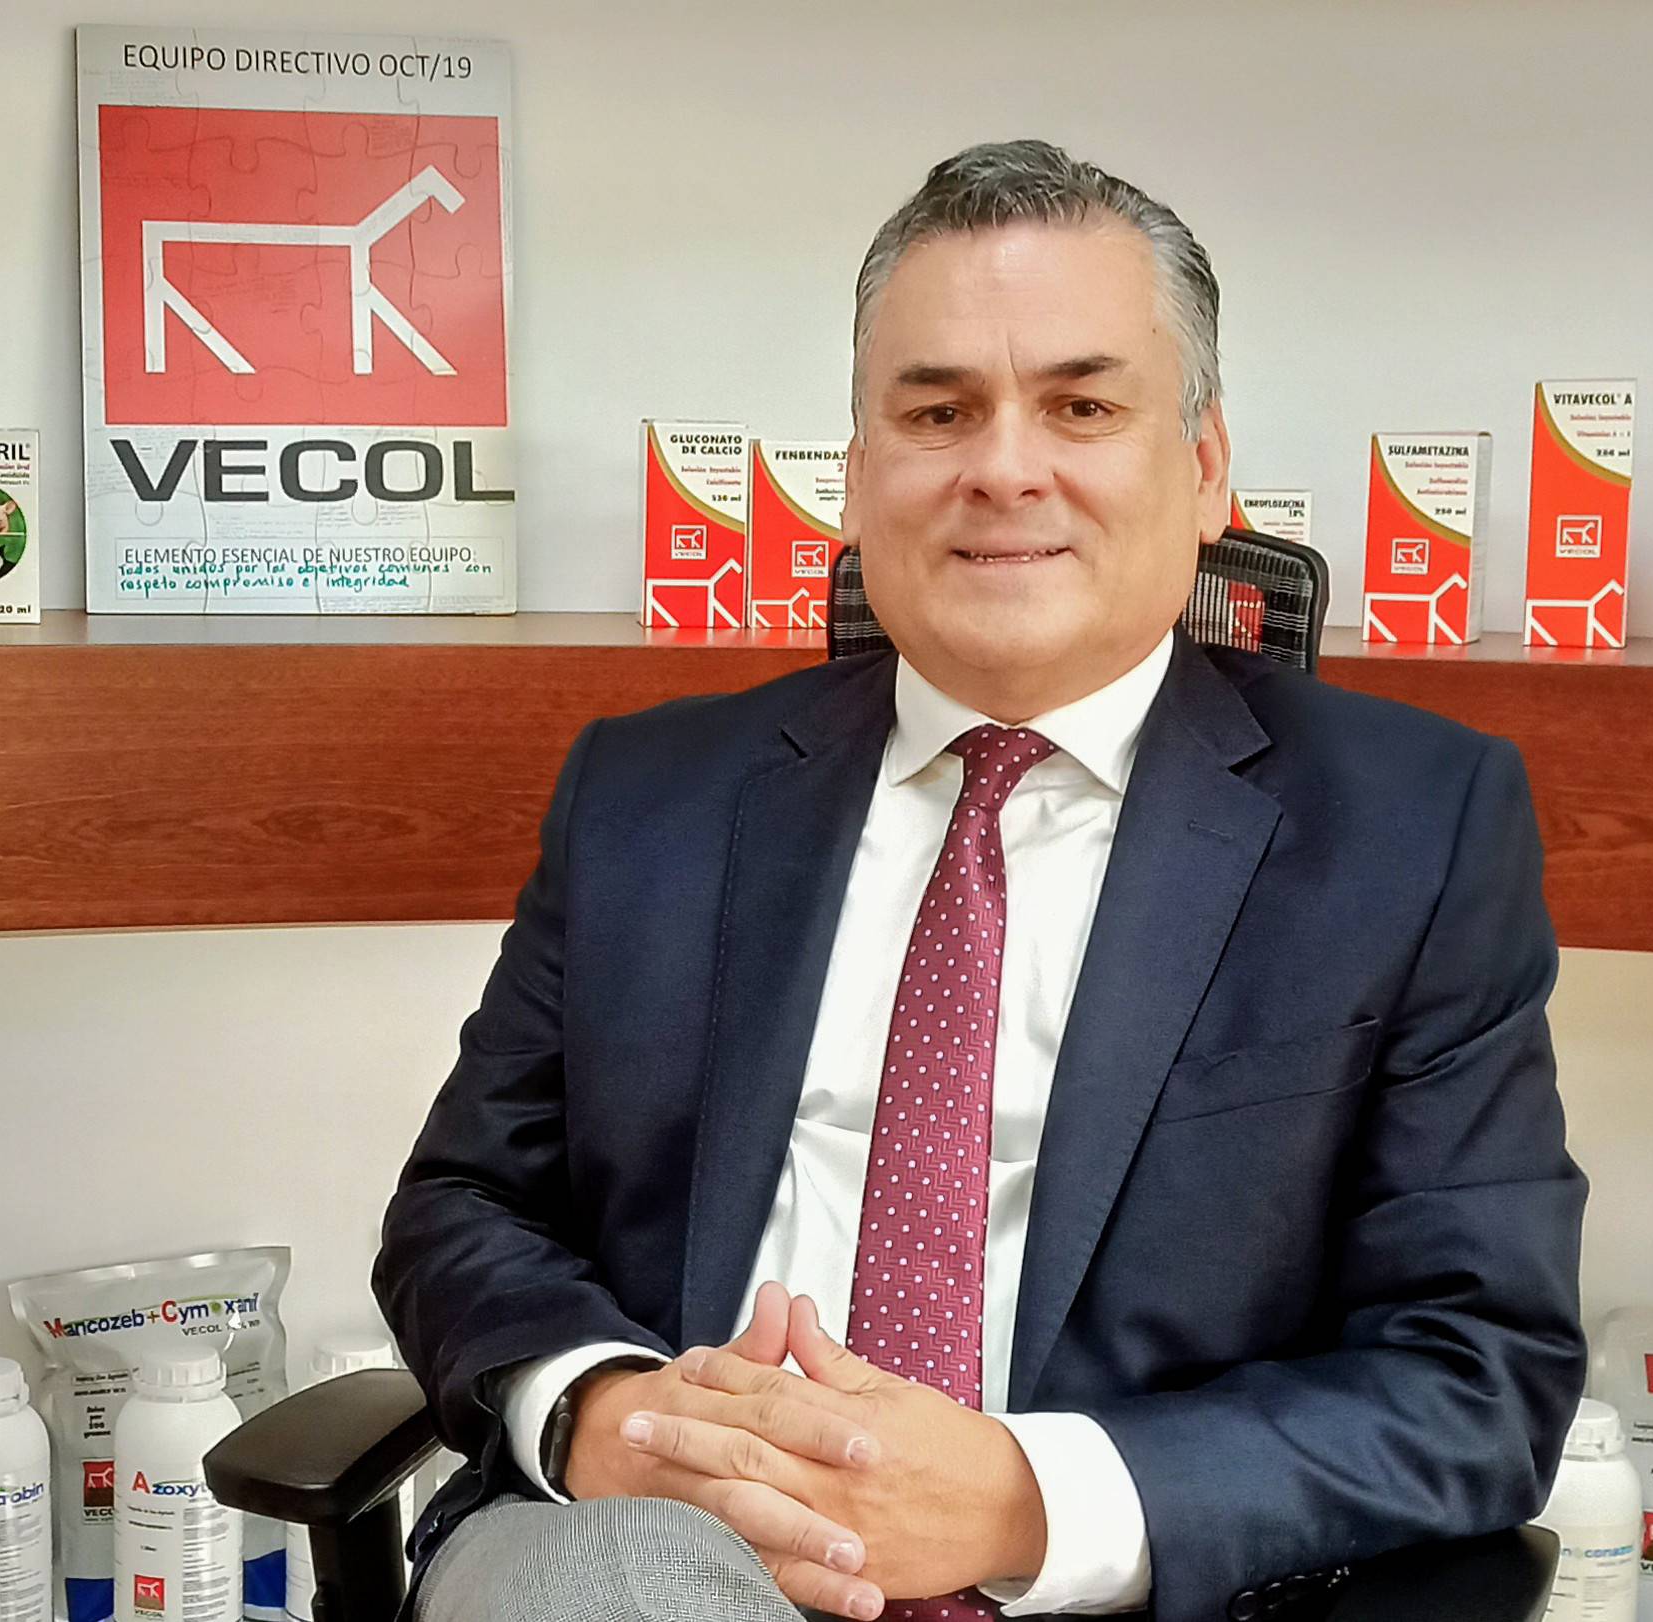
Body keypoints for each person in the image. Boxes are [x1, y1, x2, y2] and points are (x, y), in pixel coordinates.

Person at [376, 138, 1586, 1622]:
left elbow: (1476, 1375)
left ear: (1207, 466)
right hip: (650, 1548)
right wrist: (601, 1409)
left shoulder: (1412, 827)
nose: (1003, 468)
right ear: (858, 476)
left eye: (1083, 405)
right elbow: (463, 1206)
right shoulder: (649, 796)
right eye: (937, 411)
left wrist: (1020, 1499)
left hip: (1115, 1585)